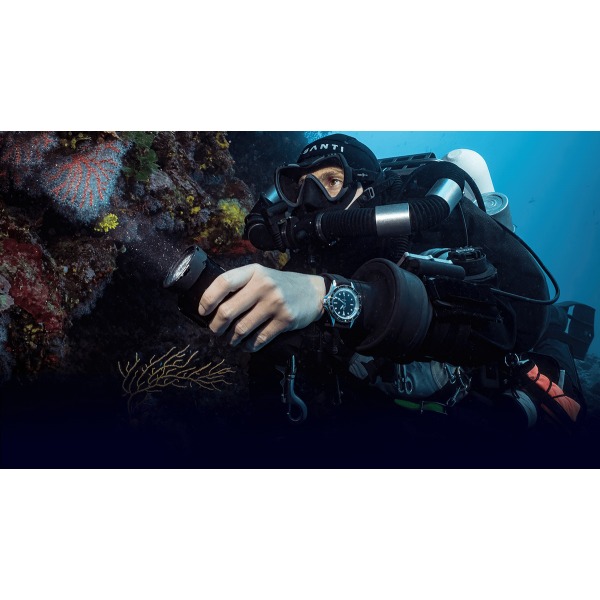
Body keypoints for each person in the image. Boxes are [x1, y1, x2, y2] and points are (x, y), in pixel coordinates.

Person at [196, 133, 589, 464]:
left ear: (366, 187)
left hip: (475, 398)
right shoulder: (310, 256)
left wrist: (332, 295)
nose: (311, 198)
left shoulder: (427, 227)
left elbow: (522, 314)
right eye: (300, 186)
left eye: (331, 180)